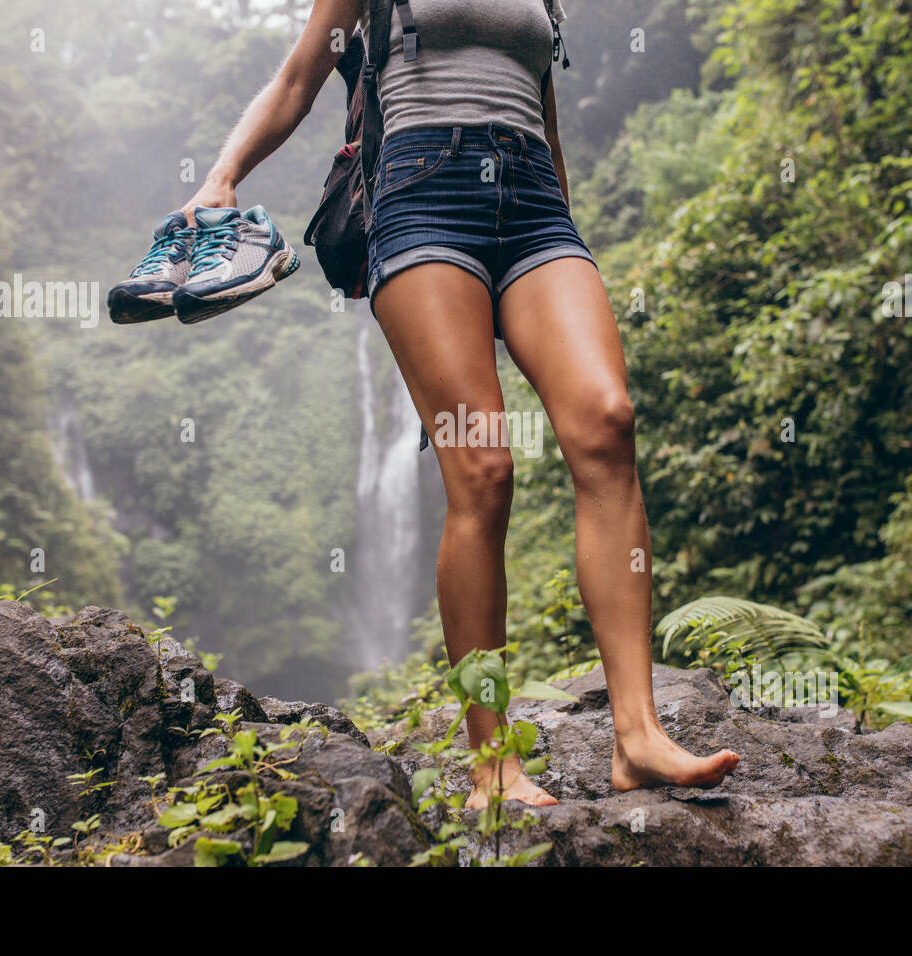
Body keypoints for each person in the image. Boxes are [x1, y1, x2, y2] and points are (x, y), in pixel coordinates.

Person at [184, 0, 740, 808]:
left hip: (537, 204)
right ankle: (494, 766)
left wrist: (562, 235)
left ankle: (639, 737)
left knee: (607, 423)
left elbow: (544, 110)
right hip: (423, 192)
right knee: (482, 467)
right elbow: (298, 79)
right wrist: (221, 176)